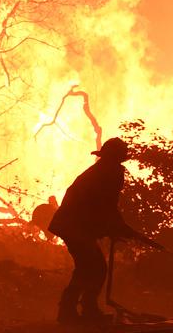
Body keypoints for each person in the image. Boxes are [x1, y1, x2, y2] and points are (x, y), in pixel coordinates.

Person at [48, 137, 136, 324]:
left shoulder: (104, 171)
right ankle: (75, 310)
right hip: (72, 225)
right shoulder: (106, 174)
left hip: (75, 225)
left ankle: (79, 309)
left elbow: (103, 207)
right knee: (92, 267)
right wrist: (117, 226)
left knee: (90, 267)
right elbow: (105, 206)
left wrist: (116, 227)